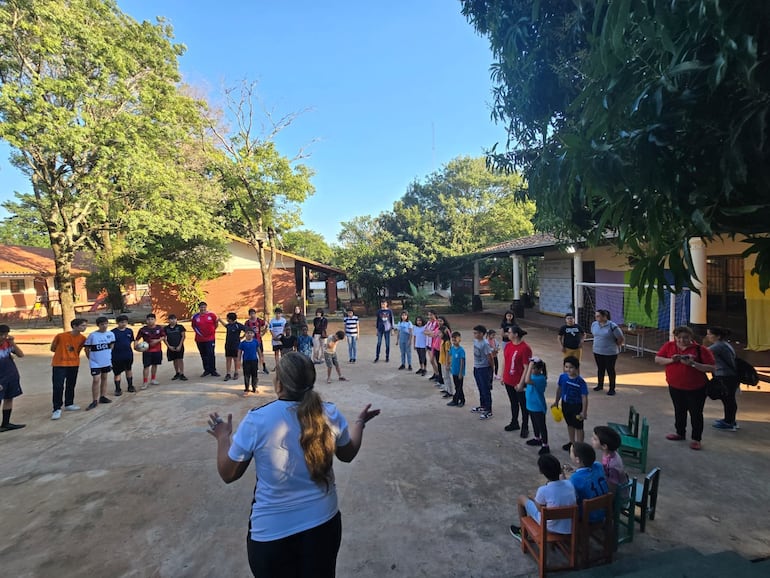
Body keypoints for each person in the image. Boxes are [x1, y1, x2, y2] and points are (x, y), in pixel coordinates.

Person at [207, 352, 380, 577]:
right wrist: (359, 423)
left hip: (271, 536)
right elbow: (347, 454)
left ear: (278, 382)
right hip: (323, 525)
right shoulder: (329, 412)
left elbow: (228, 473)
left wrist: (223, 437)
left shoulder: (258, 419)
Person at [655, 325, 715, 451]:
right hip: (675, 386)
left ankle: (696, 439)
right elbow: (658, 359)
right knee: (679, 410)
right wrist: (672, 360)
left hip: (696, 388)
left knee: (696, 413)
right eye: (679, 338)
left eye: (685, 338)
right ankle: (680, 433)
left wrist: (692, 364)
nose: (682, 340)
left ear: (691, 337)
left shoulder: (700, 349)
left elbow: (711, 367)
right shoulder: (669, 346)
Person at [509, 454, 576, 542]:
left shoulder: (543, 490)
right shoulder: (570, 484)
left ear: (541, 471)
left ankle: (523, 533)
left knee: (521, 498)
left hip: (550, 527)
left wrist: (534, 498)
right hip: (568, 526)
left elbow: (539, 509)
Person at [50, 318, 87, 420]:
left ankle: (69, 403)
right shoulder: (61, 336)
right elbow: (53, 348)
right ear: (75, 326)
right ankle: (56, 408)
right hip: (59, 364)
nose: (85, 327)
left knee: (71, 384)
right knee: (58, 386)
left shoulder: (83, 338)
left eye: (85, 325)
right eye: (82, 325)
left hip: (74, 364)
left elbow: (79, 350)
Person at [552, 356, 589, 452]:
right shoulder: (562, 377)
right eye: (566, 367)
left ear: (577, 368)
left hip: (577, 406)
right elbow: (559, 390)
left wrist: (584, 412)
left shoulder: (580, 382)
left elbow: (584, 397)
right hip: (565, 404)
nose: (568, 369)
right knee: (570, 424)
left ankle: (580, 447)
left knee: (579, 427)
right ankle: (572, 443)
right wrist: (556, 401)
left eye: (571, 367)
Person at [706, 326, 740, 431]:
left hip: (725, 376)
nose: (708, 336)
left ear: (718, 336)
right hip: (729, 375)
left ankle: (729, 422)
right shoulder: (724, 345)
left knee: (728, 399)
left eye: (710, 334)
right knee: (729, 399)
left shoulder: (718, 346)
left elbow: (704, 353)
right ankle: (730, 420)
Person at [566, 442, 609, 522]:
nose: (570, 453)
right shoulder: (598, 466)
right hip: (603, 511)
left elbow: (572, 497)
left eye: (571, 452)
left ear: (577, 460)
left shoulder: (575, 478)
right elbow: (589, 474)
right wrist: (577, 470)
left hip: (588, 516)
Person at [502, 326, 532, 437]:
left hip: (519, 381)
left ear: (516, 334)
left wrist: (521, 383)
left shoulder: (525, 348)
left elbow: (526, 367)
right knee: (513, 403)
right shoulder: (508, 346)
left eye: (509, 332)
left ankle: (525, 426)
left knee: (524, 405)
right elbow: (505, 361)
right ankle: (514, 422)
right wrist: (502, 376)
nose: (507, 334)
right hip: (508, 379)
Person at [84, 316, 115, 411]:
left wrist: (108, 356)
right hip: (95, 362)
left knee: (104, 377)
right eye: (102, 324)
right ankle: (94, 400)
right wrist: (91, 358)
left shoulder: (110, 334)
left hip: (105, 361)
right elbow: (87, 348)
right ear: (98, 325)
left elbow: (111, 345)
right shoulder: (93, 335)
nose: (104, 326)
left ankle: (103, 396)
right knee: (96, 379)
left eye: (106, 324)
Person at [591, 309, 624, 395]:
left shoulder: (612, 326)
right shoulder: (594, 324)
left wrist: (616, 345)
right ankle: (600, 385)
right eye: (596, 316)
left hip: (610, 352)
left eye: (598, 316)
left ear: (604, 317)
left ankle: (612, 388)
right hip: (597, 351)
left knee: (610, 369)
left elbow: (620, 338)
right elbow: (594, 334)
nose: (596, 317)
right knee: (600, 368)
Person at [0, 324, 25, 432]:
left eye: (6, 334)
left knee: (9, 398)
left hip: (11, 375)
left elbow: (21, 354)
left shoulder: (7, 344)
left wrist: (13, 343)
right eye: (1, 335)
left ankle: (5, 423)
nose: (4, 337)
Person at [524, 358, 550, 455]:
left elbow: (527, 380)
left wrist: (530, 365)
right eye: (532, 368)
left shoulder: (540, 379)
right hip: (531, 405)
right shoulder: (533, 376)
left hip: (538, 407)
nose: (532, 370)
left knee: (541, 426)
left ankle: (545, 444)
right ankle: (537, 438)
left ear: (540, 369)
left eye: (534, 368)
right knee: (535, 423)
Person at [591, 426, 628, 492]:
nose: (592, 439)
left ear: (604, 446)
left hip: (618, 496)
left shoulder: (612, 465)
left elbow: (612, 487)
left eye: (595, 439)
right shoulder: (611, 453)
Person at [470, 325, 495, 420]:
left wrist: (491, 369)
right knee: (480, 387)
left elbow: (490, 357)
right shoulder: (476, 341)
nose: (474, 334)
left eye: (476, 333)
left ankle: (488, 410)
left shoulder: (485, 344)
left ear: (481, 334)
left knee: (485, 389)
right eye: (474, 332)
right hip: (476, 367)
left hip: (484, 368)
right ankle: (483, 406)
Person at [136, 313, 166, 389]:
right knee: (146, 366)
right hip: (147, 351)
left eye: (152, 319)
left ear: (155, 320)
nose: (150, 321)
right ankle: (145, 382)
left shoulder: (159, 328)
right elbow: (137, 339)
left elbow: (164, 337)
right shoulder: (143, 329)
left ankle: (153, 379)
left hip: (157, 350)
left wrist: (157, 340)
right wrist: (135, 346)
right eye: (148, 319)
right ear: (146, 320)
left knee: (155, 365)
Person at [192, 302, 220, 377]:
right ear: (199, 308)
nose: (203, 309)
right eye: (201, 307)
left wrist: (212, 332)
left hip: (210, 339)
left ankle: (213, 370)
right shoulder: (195, 317)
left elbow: (216, 324)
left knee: (211, 354)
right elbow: (194, 326)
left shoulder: (211, 315)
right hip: (199, 339)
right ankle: (206, 370)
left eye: (204, 307)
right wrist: (200, 334)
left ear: (206, 307)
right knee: (203, 355)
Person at [112, 314, 136, 394]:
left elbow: (132, 341)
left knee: (128, 370)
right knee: (117, 373)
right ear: (117, 323)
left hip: (128, 354)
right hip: (116, 356)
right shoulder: (113, 332)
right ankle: (118, 389)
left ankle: (130, 386)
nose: (124, 324)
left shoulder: (129, 331)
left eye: (125, 322)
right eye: (122, 322)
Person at [221, 312, 245, 381]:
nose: (226, 319)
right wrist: (219, 320)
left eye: (227, 318)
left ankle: (236, 372)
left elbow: (246, 330)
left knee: (235, 359)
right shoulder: (229, 325)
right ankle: (228, 373)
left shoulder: (238, 325)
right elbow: (225, 325)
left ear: (230, 319)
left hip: (236, 345)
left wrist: (242, 337)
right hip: (228, 345)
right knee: (228, 359)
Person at [244, 308, 269, 375]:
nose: (253, 315)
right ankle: (255, 367)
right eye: (251, 314)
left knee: (261, 354)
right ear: (249, 315)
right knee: (253, 354)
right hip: (251, 341)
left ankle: (264, 366)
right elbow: (245, 331)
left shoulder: (259, 321)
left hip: (258, 341)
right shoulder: (247, 323)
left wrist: (263, 332)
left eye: (254, 314)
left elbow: (266, 324)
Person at [164, 314, 187, 381]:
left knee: (180, 359)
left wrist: (180, 345)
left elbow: (183, 336)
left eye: (174, 319)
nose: (173, 320)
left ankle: (182, 373)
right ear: (168, 320)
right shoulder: (166, 328)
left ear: (176, 320)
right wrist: (169, 346)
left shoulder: (180, 327)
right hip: (171, 347)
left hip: (179, 346)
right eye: (171, 319)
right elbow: (164, 338)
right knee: (174, 360)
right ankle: (177, 373)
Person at [446, 331, 466, 407]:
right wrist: (448, 364)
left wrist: (461, 373)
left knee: (459, 387)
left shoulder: (461, 350)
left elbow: (462, 362)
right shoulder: (452, 348)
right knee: (457, 387)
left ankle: (456, 400)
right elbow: (450, 355)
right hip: (454, 371)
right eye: (453, 340)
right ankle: (461, 399)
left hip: (459, 372)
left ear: (459, 339)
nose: (454, 342)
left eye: (456, 340)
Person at [239, 328, 260, 395]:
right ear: (245, 334)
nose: (249, 334)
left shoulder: (255, 342)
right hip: (246, 361)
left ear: (253, 334)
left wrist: (261, 358)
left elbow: (258, 350)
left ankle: (254, 388)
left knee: (254, 374)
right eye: (248, 333)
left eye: (251, 333)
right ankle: (247, 388)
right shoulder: (242, 343)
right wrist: (238, 361)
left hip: (254, 360)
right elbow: (239, 352)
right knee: (246, 375)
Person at [423, 310, 441, 381]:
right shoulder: (428, 323)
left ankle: (438, 374)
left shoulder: (436, 323)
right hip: (428, 343)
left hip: (433, 344)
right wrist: (429, 333)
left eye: (431, 315)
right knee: (432, 361)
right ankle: (435, 373)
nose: (429, 316)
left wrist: (429, 333)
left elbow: (434, 334)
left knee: (433, 360)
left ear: (434, 315)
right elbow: (425, 331)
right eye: (428, 315)